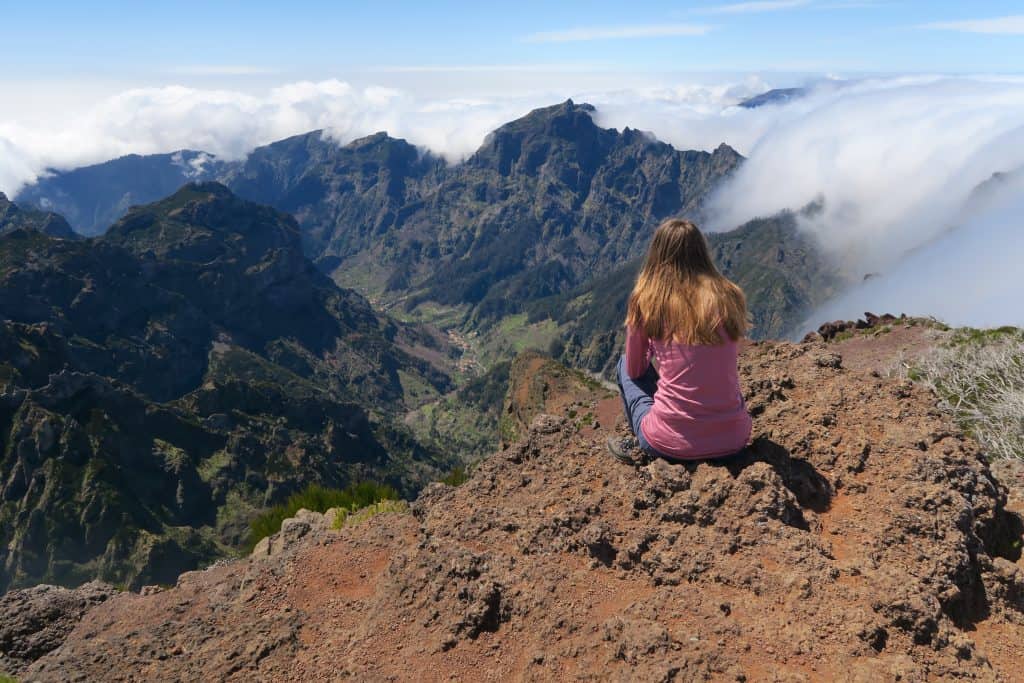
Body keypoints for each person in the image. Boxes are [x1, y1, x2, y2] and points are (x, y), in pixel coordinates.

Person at [608, 218, 752, 464]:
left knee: (623, 365)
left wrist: (654, 345)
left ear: (658, 253)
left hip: (667, 443)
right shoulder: (729, 294)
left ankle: (639, 442)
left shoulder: (647, 299)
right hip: (734, 440)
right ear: (701, 251)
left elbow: (635, 369)